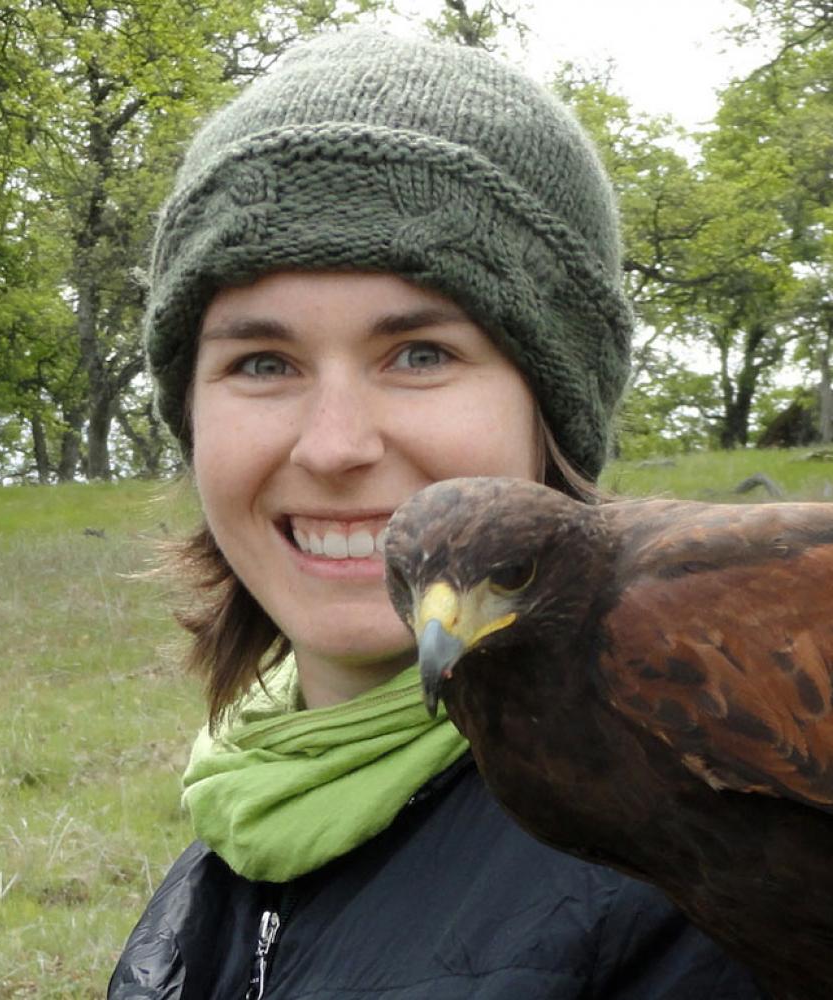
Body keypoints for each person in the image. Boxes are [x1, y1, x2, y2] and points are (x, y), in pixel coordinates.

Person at [108, 29, 767, 1000]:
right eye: (262, 362)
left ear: (550, 411)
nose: (333, 445)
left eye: (418, 353)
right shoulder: (248, 810)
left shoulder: (708, 883)